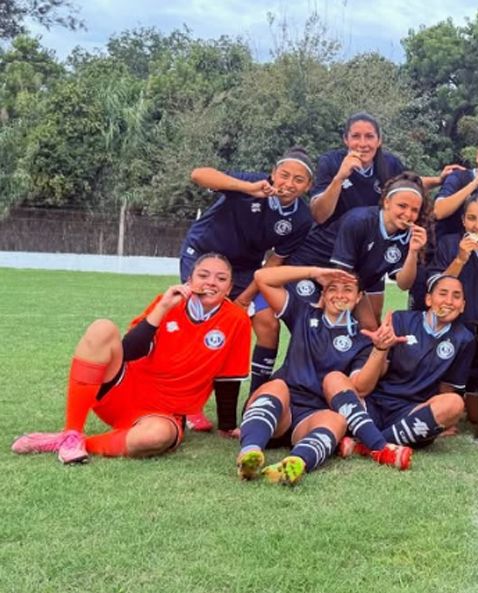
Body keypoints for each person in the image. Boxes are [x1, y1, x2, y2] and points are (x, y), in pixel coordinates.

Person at [13, 254, 251, 463]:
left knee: (155, 437)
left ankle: (79, 443)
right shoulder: (168, 302)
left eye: (221, 278)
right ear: (190, 280)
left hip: (164, 414)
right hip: (122, 392)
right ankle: (71, 432)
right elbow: (129, 350)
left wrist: (227, 426)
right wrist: (163, 307)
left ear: (229, 288)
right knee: (102, 328)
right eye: (203, 275)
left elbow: (228, 377)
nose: (211, 282)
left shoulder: (237, 320)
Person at [234, 264, 409, 486]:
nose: (340, 295)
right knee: (277, 385)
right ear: (323, 295)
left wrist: (379, 350)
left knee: (336, 414)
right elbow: (262, 277)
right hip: (279, 411)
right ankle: (250, 453)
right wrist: (314, 273)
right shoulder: (303, 313)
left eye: (348, 289)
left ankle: (296, 462)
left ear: (358, 298)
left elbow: (361, 388)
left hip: (313, 419)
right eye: (332, 288)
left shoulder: (362, 339)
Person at [181, 148, 316, 418]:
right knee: (204, 325)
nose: (289, 183)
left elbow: (275, 261)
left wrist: (245, 298)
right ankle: (190, 404)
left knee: (268, 324)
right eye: (284, 175)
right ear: (273, 173)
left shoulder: (302, 218)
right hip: (205, 256)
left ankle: (256, 398)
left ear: (308, 186)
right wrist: (248, 188)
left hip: (247, 269)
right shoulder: (252, 183)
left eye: (298, 179)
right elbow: (198, 174)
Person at [349, 275, 477, 452]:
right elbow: (378, 373)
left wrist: (442, 419)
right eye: (443, 294)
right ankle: (378, 441)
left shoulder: (464, 339)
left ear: (462, 306)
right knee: (336, 382)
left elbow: (447, 387)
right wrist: (382, 347)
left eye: (456, 296)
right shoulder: (400, 320)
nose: (449, 301)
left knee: (454, 403)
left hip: (411, 413)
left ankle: (368, 444)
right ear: (428, 299)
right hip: (375, 403)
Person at [426, 194, 478, 423]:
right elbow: (436, 288)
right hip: (453, 337)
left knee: (477, 416)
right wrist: (460, 259)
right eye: (472, 218)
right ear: (463, 221)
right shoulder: (449, 245)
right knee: (445, 409)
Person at [309, 111, 460, 226]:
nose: (363, 144)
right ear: (346, 140)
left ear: (379, 140)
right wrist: (339, 178)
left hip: (371, 240)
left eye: (369, 136)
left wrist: (439, 180)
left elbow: (409, 183)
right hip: (332, 239)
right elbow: (319, 216)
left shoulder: (389, 163)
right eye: (356, 136)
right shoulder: (330, 162)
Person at [330, 173, 430, 329]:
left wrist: (413, 251)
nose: (408, 214)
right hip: (323, 273)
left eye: (414, 210)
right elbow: (342, 273)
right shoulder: (360, 221)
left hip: (354, 282)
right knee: (338, 327)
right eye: (402, 206)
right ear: (387, 202)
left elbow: (404, 284)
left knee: (372, 329)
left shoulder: (407, 235)